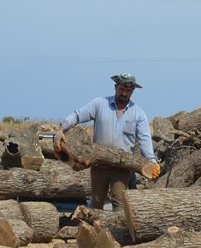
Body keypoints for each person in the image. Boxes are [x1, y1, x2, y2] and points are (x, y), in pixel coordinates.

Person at [58, 73, 160, 208]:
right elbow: (77, 115)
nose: (124, 93)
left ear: (133, 91)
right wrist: (61, 130)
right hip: (100, 165)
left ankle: (119, 229)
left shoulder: (138, 113)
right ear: (115, 87)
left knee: (120, 201)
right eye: (122, 89)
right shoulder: (99, 104)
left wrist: (152, 162)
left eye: (128, 91)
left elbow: (144, 139)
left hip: (123, 166)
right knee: (97, 201)